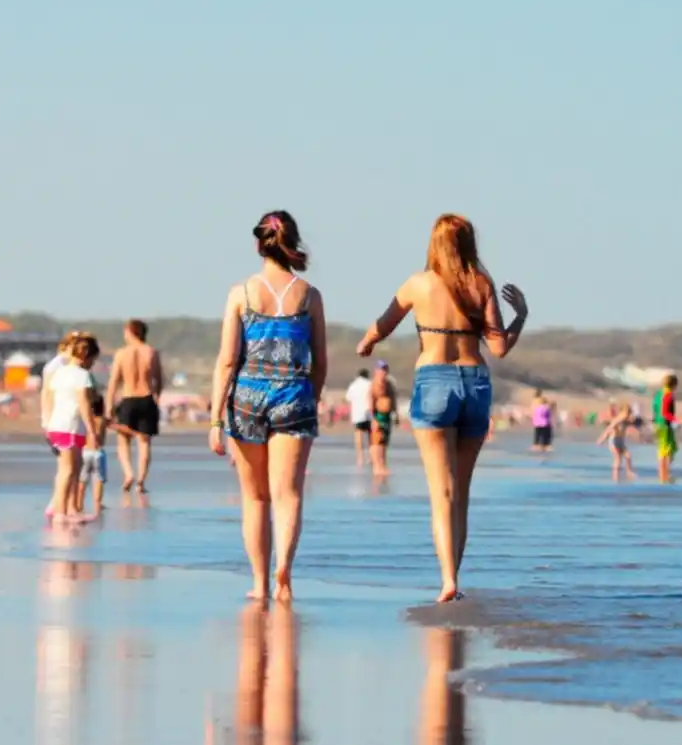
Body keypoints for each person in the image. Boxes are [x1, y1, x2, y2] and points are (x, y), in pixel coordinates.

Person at [356, 213, 527, 603]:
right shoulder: (481, 284)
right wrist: (521, 316)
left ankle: (447, 579)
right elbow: (499, 348)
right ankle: (456, 578)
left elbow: (386, 321)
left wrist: (366, 343)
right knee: (461, 491)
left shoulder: (419, 284)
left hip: (434, 380)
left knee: (441, 492)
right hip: (475, 382)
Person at [208, 210, 327, 602]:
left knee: (255, 497)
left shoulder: (241, 294)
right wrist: (312, 397)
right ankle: (284, 575)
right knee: (288, 493)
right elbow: (320, 360)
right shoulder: (309, 295)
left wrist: (214, 419)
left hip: (247, 397)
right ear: (291, 242)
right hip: (294, 395)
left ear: (259, 243)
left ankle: (259, 582)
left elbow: (227, 359)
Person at [43, 335, 102, 523]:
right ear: (86, 356)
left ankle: (70, 509)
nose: (93, 364)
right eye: (93, 359)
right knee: (68, 470)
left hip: (60, 425)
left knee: (74, 469)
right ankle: (60, 512)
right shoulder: (82, 375)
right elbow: (84, 404)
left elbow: (50, 398)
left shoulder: (58, 373)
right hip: (69, 426)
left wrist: (48, 423)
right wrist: (93, 430)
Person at [105, 319, 163, 494]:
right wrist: (156, 397)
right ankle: (140, 481)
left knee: (123, 440)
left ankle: (128, 473)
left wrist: (109, 405)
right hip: (146, 398)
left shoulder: (122, 353)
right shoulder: (151, 352)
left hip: (128, 398)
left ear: (131, 332)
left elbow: (114, 382)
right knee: (144, 442)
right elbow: (158, 379)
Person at [76, 377, 108, 515]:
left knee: (82, 480)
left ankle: (79, 503)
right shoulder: (102, 420)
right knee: (99, 479)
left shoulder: (84, 419)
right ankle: (97, 503)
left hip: (85, 452)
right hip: (98, 452)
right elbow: (116, 426)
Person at [370, 360, 398, 477]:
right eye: (381, 369)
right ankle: (377, 466)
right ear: (376, 371)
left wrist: (396, 414)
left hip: (388, 415)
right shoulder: (374, 384)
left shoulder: (389, 384)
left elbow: (393, 399)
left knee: (385, 441)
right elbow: (370, 401)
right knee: (377, 441)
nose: (383, 372)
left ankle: (383, 464)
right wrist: (373, 418)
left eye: (385, 369)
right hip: (378, 415)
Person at [596, 403, 637, 481]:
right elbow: (610, 428)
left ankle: (629, 472)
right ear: (623, 412)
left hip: (621, 441)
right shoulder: (619, 419)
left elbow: (632, 422)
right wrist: (602, 438)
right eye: (628, 412)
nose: (629, 414)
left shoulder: (625, 419)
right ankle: (615, 476)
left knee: (628, 456)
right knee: (617, 458)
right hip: (614, 440)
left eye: (630, 412)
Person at [652, 374, 679, 484]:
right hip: (665, 425)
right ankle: (665, 475)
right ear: (674, 385)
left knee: (663, 451)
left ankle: (662, 475)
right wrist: (677, 420)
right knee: (668, 451)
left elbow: (654, 409)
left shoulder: (658, 395)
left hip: (658, 425)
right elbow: (665, 412)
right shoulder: (668, 395)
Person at [345, 369, 373, 467]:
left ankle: (360, 458)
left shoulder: (353, 385)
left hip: (357, 414)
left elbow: (348, 397)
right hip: (369, 414)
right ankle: (371, 457)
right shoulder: (370, 384)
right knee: (371, 435)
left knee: (358, 435)